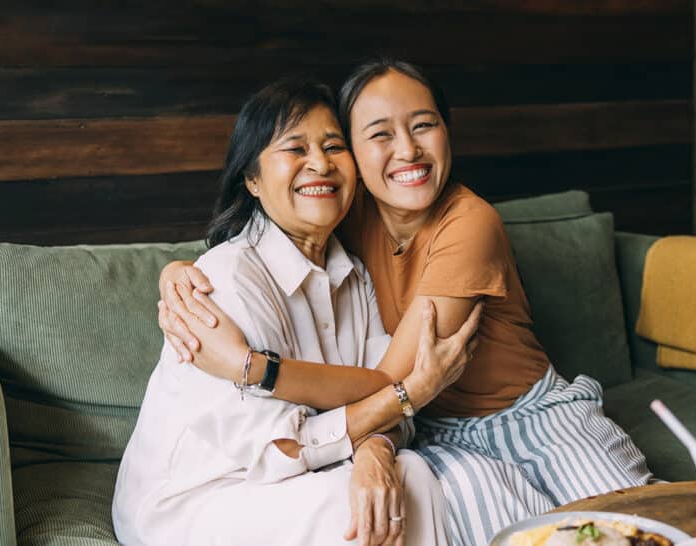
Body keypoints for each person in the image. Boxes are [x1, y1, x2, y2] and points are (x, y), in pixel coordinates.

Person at [160, 59, 652, 546]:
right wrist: (177, 272)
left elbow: (392, 380)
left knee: (633, 524)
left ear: (447, 132)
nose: (408, 151)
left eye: (424, 126)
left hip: (530, 415)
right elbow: (268, 230)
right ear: (355, 153)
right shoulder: (345, 214)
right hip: (435, 432)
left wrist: (255, 368)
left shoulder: (469, 223)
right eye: (379, 135)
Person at [113, 77, 479, 546]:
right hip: (197, 498)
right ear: (252, 180)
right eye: (295, 149)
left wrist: (375, 454)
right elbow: (277, 449)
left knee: (410, 474)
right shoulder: (223, 282)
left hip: (299, 473)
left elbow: (383, 401)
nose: (320, 164)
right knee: (343, 503)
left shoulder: (354, 276)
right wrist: (413, 393)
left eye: (333, 146)